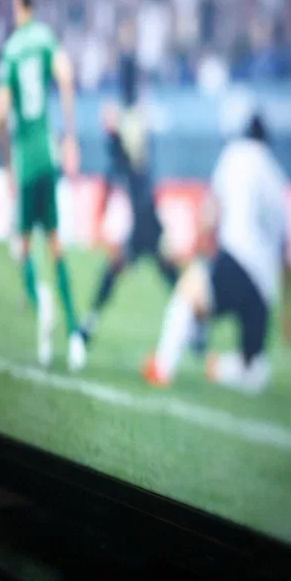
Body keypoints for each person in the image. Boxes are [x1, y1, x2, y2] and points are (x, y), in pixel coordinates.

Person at [144, 112, 291, 393]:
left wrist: (197, 251)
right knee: (255, 370)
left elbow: (212, 210)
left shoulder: (236, 155)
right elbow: (287, 253)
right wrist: (288, 313)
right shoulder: (278, 177)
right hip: (264, 290)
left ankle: (163, 367)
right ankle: (221, 362)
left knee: (188, 290)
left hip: (238, 259)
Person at [0, 0, 85, 371]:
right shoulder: (46, 38)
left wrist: (6, 164)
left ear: (16, 2)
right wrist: (70, 136)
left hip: (26, 164)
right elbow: (66, 76)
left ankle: (41, 300)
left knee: (21, 247)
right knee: (58, 247)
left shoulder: (11, 49)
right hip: (48, 156)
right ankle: (75, 338)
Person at [79, 22, 181, 343]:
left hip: (144, 211)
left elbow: (127, 160)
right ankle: (194, 331)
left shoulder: (131, 118)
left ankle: (89, 323)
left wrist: (113, 134)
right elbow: (126, 161)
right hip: (144, 208)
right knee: (164, 271)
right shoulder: (135, 116)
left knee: (129, 268)